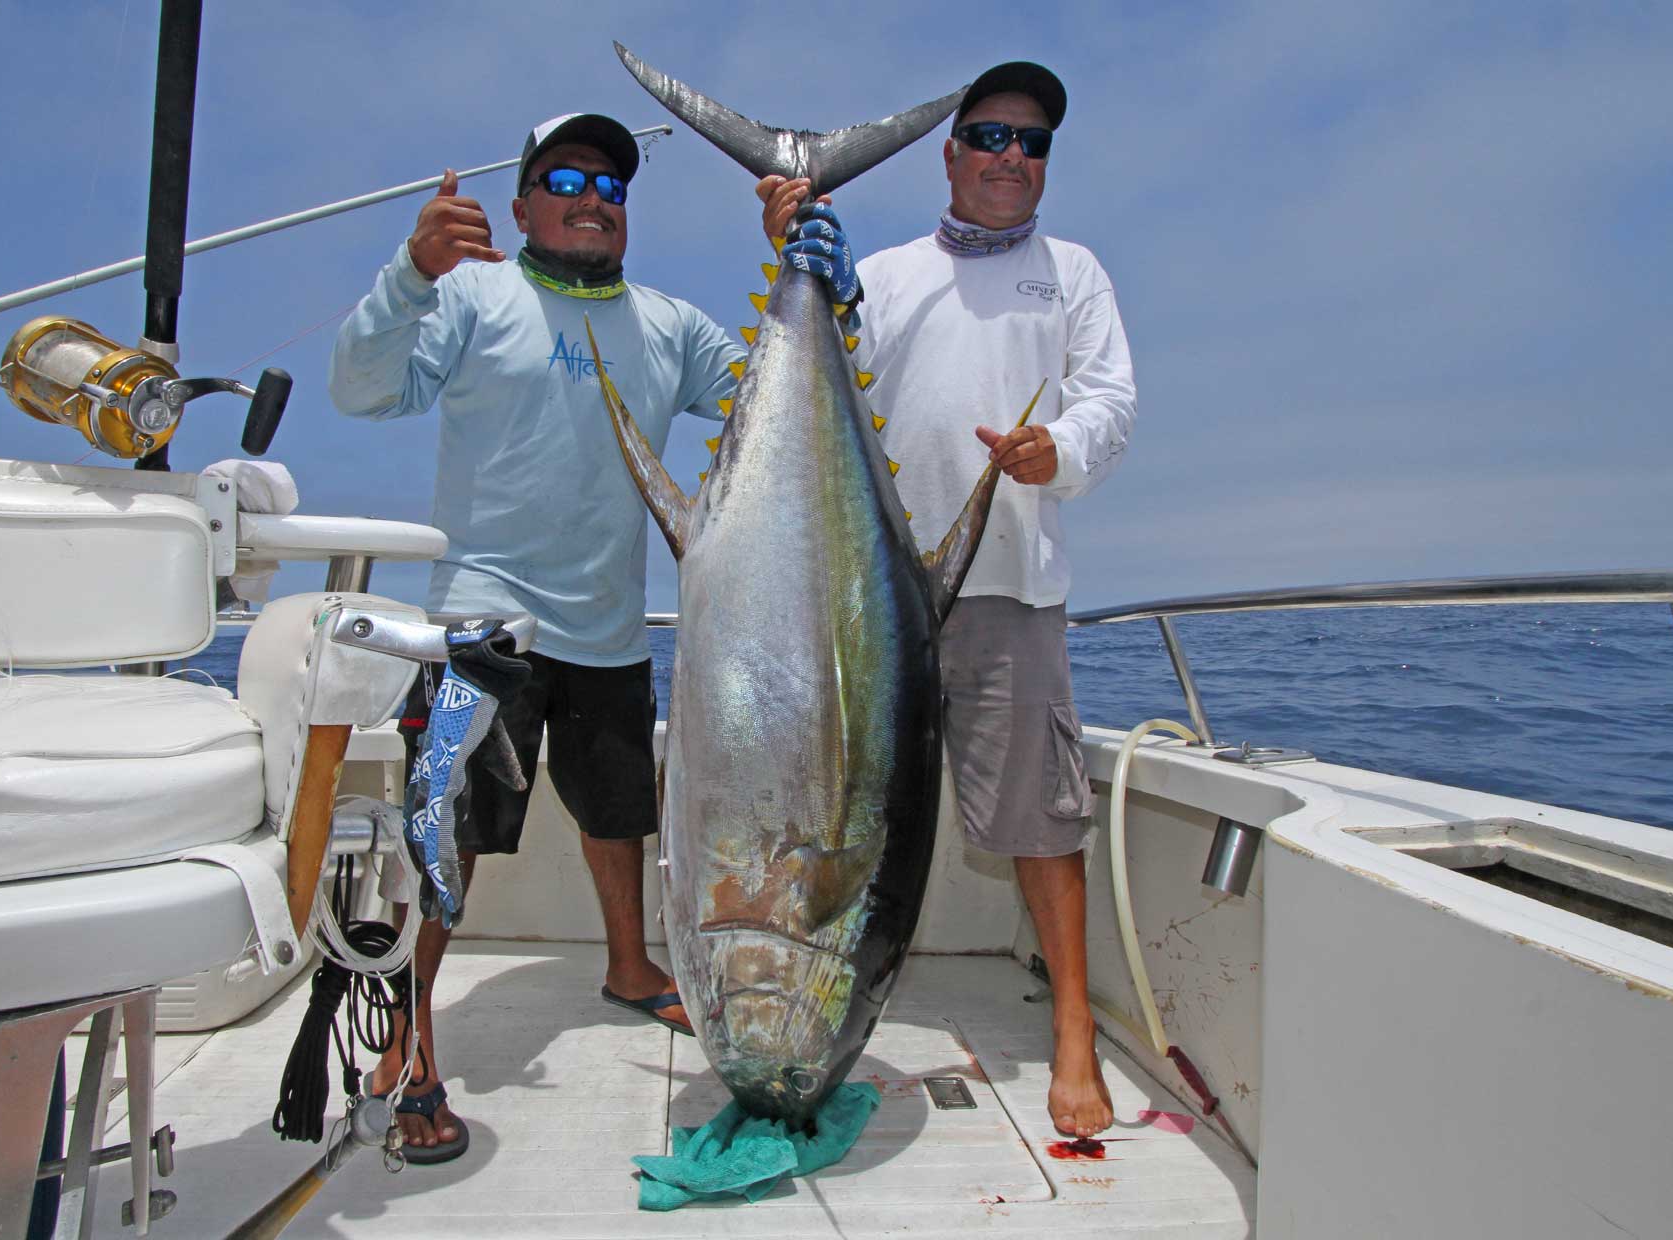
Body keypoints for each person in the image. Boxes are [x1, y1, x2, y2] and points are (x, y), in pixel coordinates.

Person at [329, 113, 742, 1161]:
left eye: (611, 184)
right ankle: (413, 1037)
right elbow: (363, 388)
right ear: (519, 207)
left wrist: (815, 280)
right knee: (452, 829)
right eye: (566, 178)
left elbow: (765, 395)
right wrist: (410, 272)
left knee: (620, 811)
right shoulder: (472, 293)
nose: (593, 196)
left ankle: (630, 967)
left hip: (610, 625)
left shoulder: (671, 325)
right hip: (487, 619)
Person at [758, 61, 1136, 1139]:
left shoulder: (1074, 274)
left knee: (1038, 816)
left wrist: (1052, 448)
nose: (1013, 157)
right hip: (860, 591)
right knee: (841, 812)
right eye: (992, 136)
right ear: (952, 153)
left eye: (1033, 143)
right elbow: (820, 384)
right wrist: (792, 248)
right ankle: (816, 996)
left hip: (1006, 582)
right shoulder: (878, 272)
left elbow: (1111, 400)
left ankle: (1072, 1027)